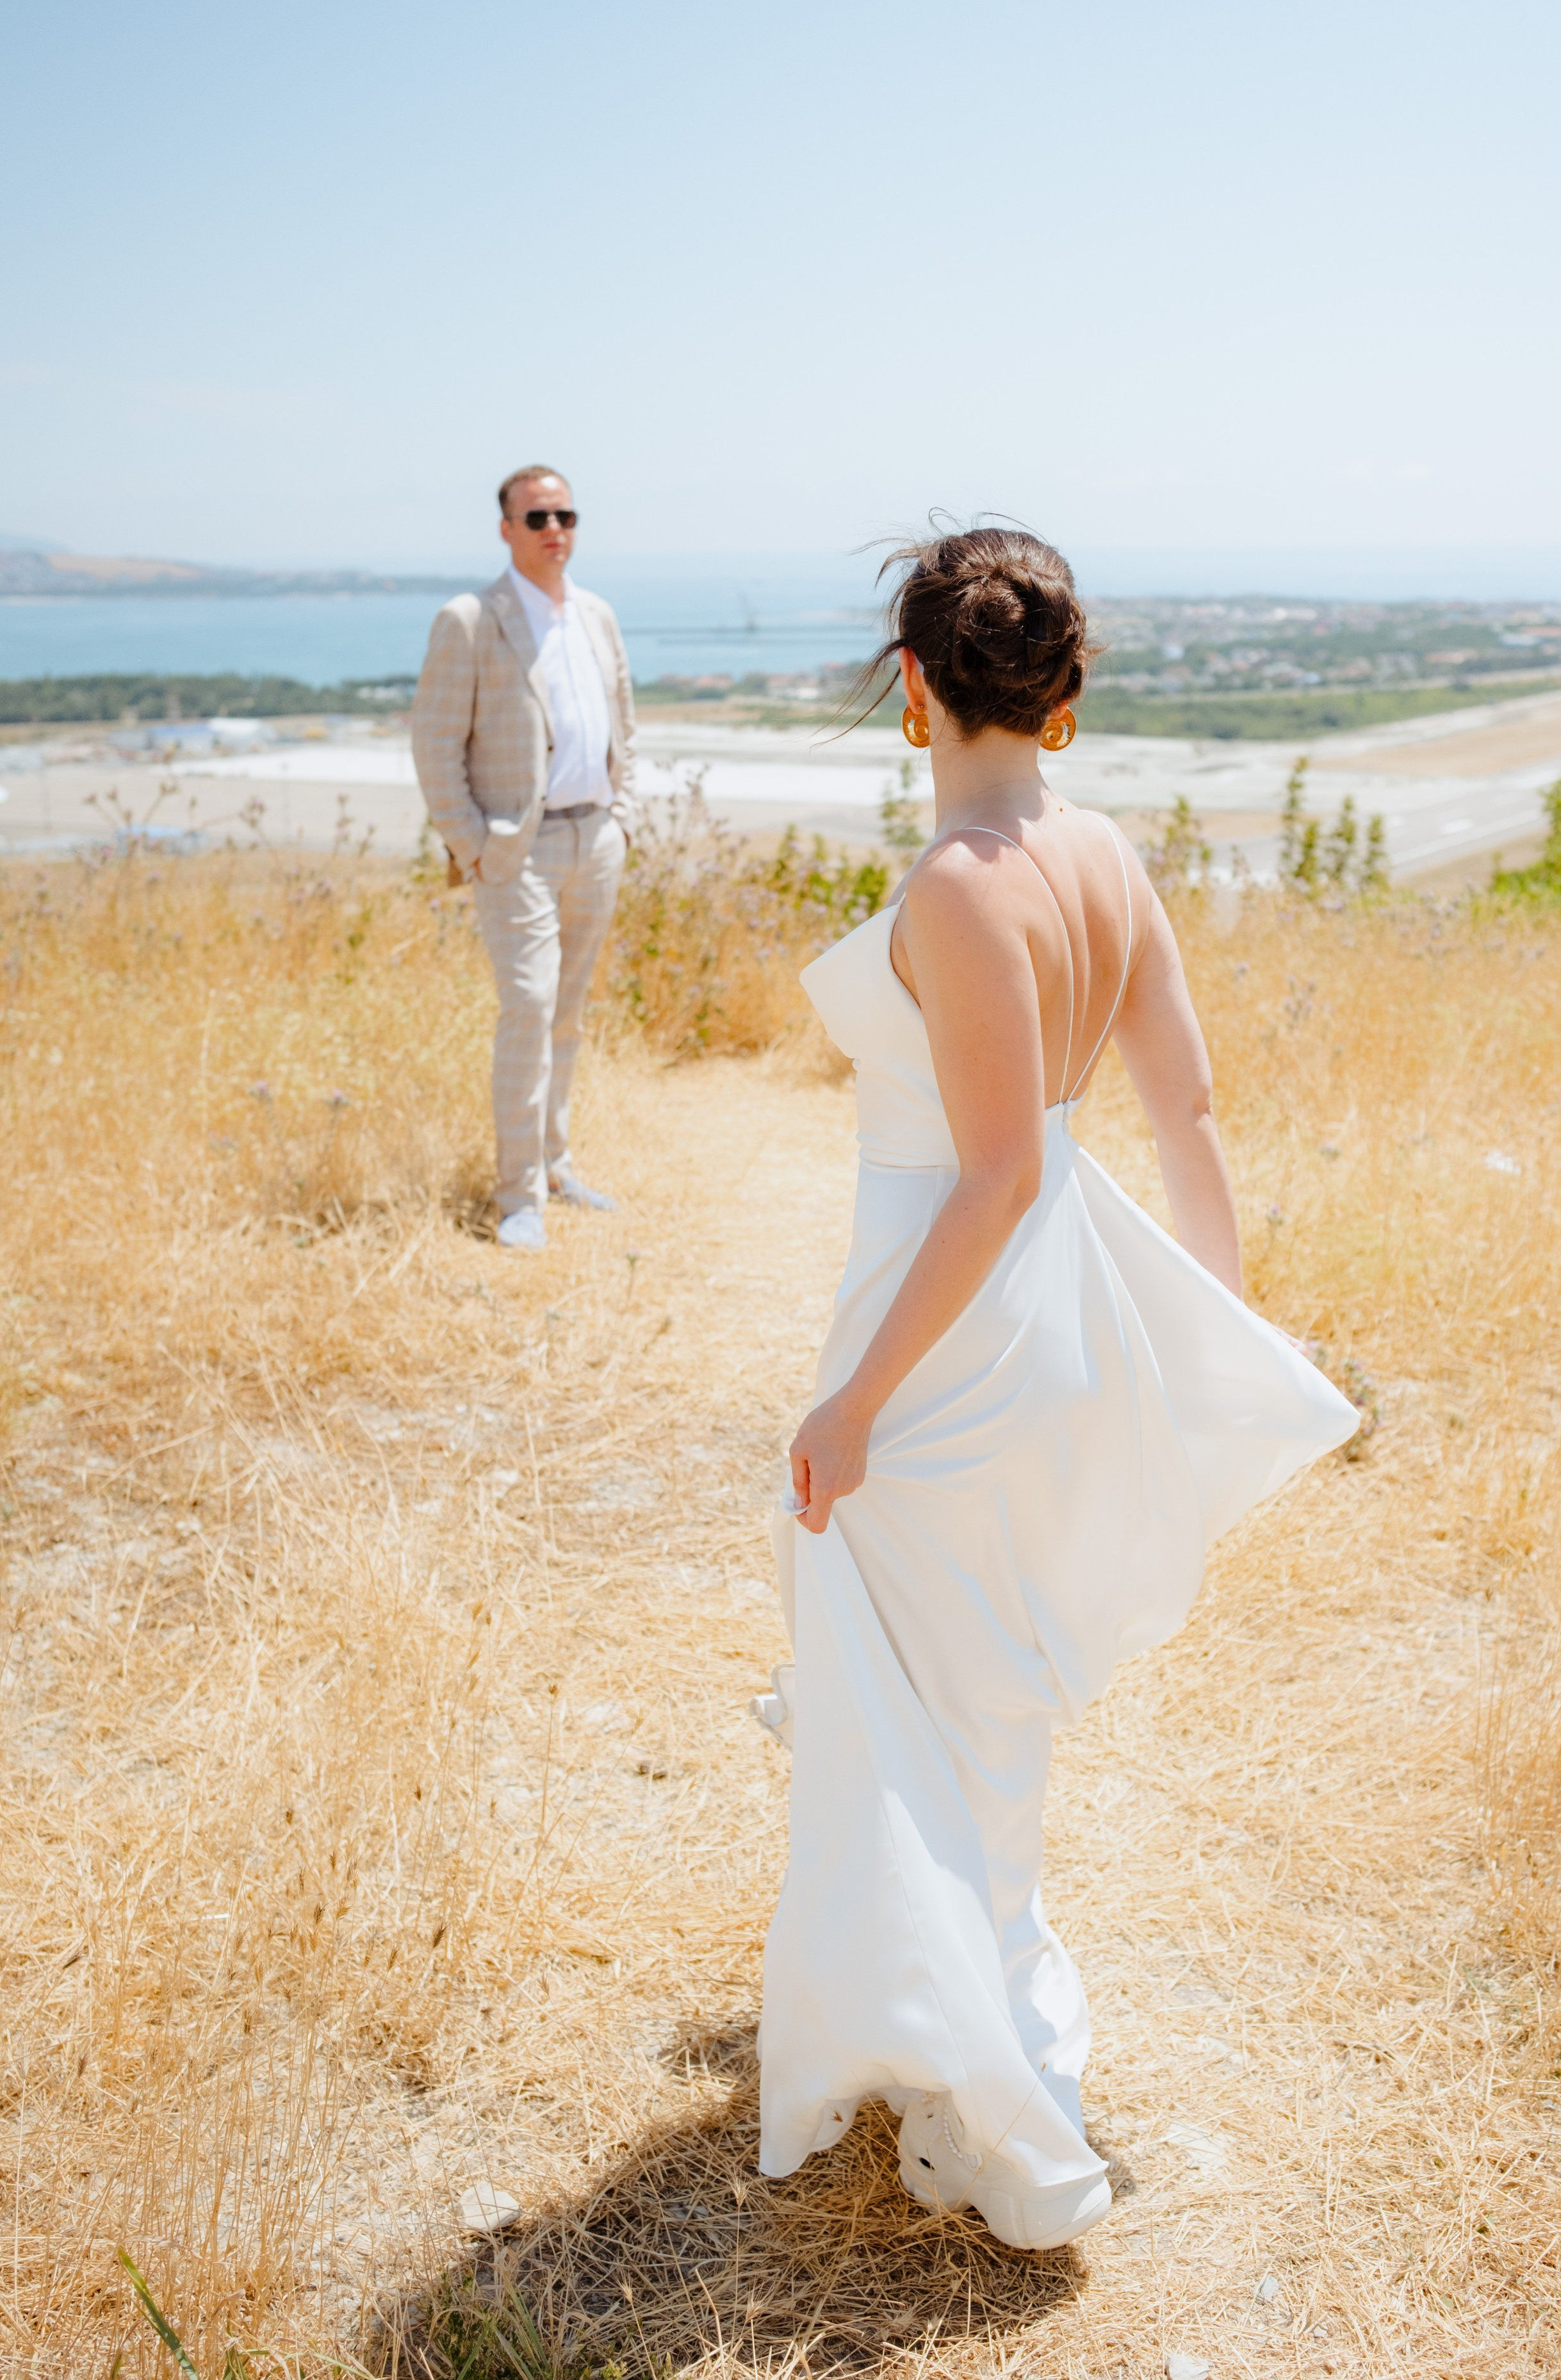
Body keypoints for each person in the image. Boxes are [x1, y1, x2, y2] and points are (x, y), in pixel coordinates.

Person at [753, 527, 1357, 2251]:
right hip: (1062, 1320)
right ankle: (962, 2061)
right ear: (1066, 694)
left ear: (919, 689)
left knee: (936, 1715)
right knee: (975, 1707)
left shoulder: (959, 882)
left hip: (950, 1333)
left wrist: (858, 1396)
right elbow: (1187, 1110)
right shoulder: (1102, 856)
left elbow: (1000, 1170)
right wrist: (1202, 1341)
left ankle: (988, 2110)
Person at [411, 464, 635, 1244]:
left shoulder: (598, 615)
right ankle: (516, 1200)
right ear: (505, 529)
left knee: (565, 1015)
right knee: (529, 1010)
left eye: (565, 515)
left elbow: (623, 727)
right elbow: (435, 744)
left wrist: (623, 819)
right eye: (536, 518)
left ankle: (553, 1164)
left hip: (595, 838)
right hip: (518, 851)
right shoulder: (470, 619)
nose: (554, 530)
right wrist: (475, 846)